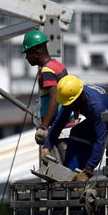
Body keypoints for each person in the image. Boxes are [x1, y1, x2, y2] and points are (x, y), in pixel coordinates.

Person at [41, 74, 108, 182]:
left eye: (70, 104)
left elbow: (100, 140)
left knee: (85, 133)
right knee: (77, 132)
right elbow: (59, 123)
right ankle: (70, 173)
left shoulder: (96, 107)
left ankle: (81, 173)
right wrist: (46, 147)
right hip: (96, 118)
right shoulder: (73, 98)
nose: (68, 107)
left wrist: (88, 170)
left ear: (79, 98)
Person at [22, 29, 74, 161]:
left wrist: (43, 126)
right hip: (66, 123)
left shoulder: (47, 70)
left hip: (58, 129)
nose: (27, 58)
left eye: (28, 53)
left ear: (37, 51)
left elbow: (54, 98)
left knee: (58, 172)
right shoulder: (57, 65)